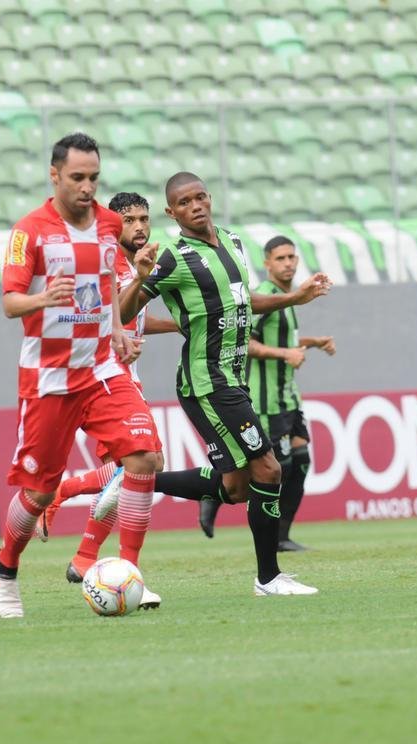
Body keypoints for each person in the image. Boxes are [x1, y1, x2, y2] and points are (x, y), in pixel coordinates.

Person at [116, 172, 331, 596]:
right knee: (268, 469)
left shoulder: (232, 242)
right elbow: (124, 314)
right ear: (171, 212)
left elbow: (245, 302)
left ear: (209, 199)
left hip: (233, 379)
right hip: (208, 383)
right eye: (184, 202)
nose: (195, 206)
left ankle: (132, 482)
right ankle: (269, 578)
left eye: (200, 197)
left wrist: (294, 297)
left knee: (234, 488)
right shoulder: (172, 258)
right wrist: (140, 278)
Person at [0, 133, 163, 618]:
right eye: (78, 178)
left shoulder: (108, 224)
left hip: (102, 366)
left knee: (145, 456)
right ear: (55, 176)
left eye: (94, 178)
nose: (87, 188)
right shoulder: (31, 232)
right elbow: (9, 303)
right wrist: (43, 299)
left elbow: (106, 284)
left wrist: (117, 331)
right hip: (50, 377)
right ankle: (4, 568)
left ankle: (130, 573)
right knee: (39, 490)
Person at [31, 191, 178, 584]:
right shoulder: (108, 264)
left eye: (144, 219)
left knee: (135, 469)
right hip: (108, 376)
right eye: (129, 220)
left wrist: (180, 324)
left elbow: (136, 318)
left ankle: (85, 555)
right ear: (114, 225)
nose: (140, 227)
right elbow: (113, 314)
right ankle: (81, 523)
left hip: (127, 372)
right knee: (144, 465)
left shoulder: (135, 266)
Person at [196, 235, 336, 550]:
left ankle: (281, 538)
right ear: (267, 263)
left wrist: (313, 342)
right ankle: (213, 493)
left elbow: (283, 339)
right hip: (267, 402)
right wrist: (285, 355)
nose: (288, 263)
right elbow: (245, 342)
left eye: (292, 257)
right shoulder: (266, 298)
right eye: (281, 258)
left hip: (289, 399)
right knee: (272, 469)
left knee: (299, 464)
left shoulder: (290, 296)